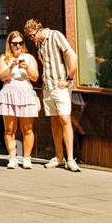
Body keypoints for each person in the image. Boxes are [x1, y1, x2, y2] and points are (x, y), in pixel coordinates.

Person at [25, 17, 81, 171]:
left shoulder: (56, 35)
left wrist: (69, 78)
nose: (32, 39)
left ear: (39, 28)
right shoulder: (39, 43)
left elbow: (72, 56)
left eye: (32, 35)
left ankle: (70, 158)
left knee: (65, 119)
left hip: (60, 84)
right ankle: (59, 156)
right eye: (29, 36)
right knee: (54, 122)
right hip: (47, 86)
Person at [0, 30, 40, 168]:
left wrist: (26, 68)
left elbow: (35, 78)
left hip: (25, 94)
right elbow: (2, 77)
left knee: (27, 128)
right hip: (9, 94)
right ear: (10, 44)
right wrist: (11, 66)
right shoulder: (4, 58)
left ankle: (26, 158)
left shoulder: (29, 58)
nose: (18, 46)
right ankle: (13, 158)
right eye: (15, 43)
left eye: (20, 43)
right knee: (10, 129)